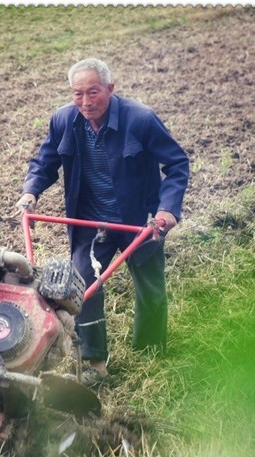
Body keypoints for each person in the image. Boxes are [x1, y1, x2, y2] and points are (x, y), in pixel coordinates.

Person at [16, 58, 189, 386]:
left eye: (93, 92)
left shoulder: (140, 119)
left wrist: (168, 210)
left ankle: (150, 351)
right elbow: (44, 162)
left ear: (110, 89)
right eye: (77, 94)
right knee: (84, 289)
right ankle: (96, 362)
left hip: (139, 221)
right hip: (91, 222)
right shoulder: (65, 120)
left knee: (150, 288)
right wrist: (30, 193)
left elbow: (177, 164)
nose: (85, 101)